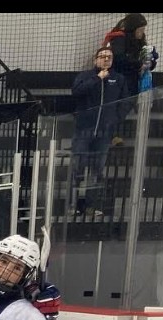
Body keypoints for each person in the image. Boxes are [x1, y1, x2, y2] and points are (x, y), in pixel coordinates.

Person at [70, 46, 130, 218]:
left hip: (104, 133)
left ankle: (90, 206)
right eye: (102, 57)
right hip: (84, 129)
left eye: (109, 57)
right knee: (78, 167)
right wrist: (97, 79)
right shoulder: (85, 76)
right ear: (96, 59)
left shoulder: (118, 79)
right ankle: (73, 204)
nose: (106, 60)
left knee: (97, 171)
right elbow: (77, 92)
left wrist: (116, 118)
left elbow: (125, 101)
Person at [105, 13, 153, 103]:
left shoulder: (140, 41)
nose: (142, 32)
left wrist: (150, 61)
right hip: (120, 79)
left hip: (134, 79)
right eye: (140, 30)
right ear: (133, 29)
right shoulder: (119, 39)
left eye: (143, 29)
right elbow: (119, 58)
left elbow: (144, 56)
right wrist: (139, 64)